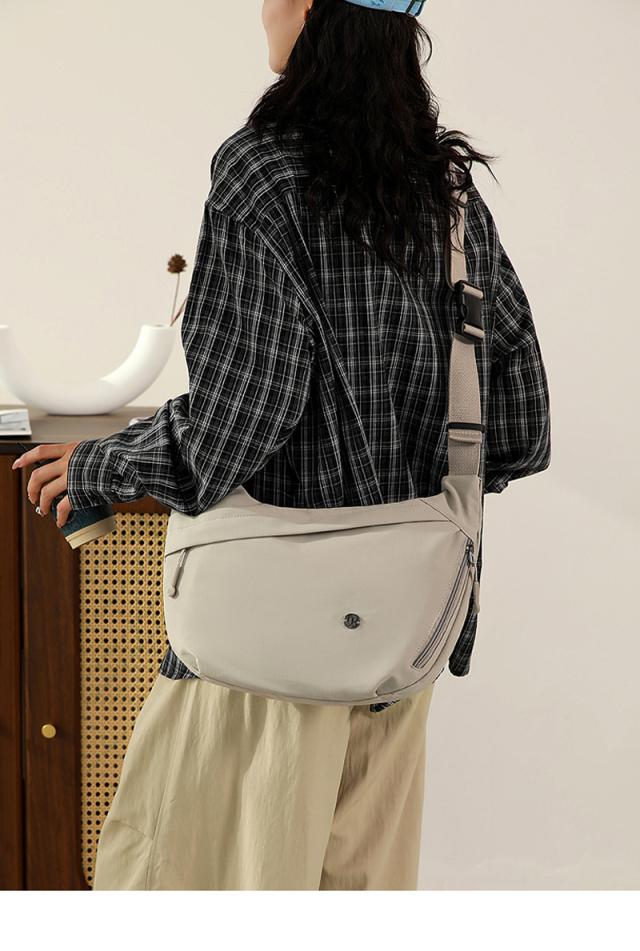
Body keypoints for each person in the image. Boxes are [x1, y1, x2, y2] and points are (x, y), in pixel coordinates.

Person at [12, 0, 551, 889]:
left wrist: (101, 461)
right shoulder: (450, 199)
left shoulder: (263, 175)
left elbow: (237, 424)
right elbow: (521, 427)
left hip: (259, 657)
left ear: (312, 10)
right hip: (399, 654)